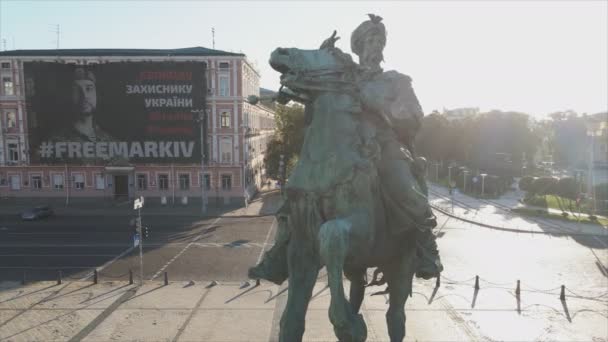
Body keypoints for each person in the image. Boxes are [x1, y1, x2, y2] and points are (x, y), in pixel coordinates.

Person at [249, 14, 443, 283]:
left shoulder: (396, 81)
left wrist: (380, 104)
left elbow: (414, 115)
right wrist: (295, 93)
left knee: (407, 191)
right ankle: (281, 254)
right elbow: (321, 99)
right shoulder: (345, 75)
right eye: (369, 40)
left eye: (379, 39)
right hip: (342, 146)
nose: (374, 45)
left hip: (383, 146)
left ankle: (426, 249)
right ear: (359, 45)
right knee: (297, 191)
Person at [48, 67, 114, 143]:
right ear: (68, 95)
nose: (85, 96)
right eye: (77, 90)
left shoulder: (109, 140)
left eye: (89, 89)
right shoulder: (56, 141)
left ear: (96, 94)